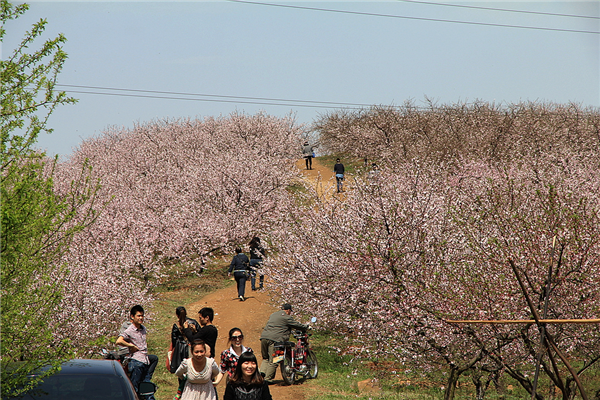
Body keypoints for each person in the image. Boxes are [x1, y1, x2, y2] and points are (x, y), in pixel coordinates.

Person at [116, 305, 158, 400]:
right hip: (136, 362)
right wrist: (131, 346)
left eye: (142, 316)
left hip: (145, 360)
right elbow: (119, 341)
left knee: (146, 387)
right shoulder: (130, 330)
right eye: (138, 316)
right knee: (134, 389)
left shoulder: (143, 328)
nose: (141, 318)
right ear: (132, 317)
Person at [259, 303, 308, 383]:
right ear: (288, 310)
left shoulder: (273, 315)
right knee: (274, 360)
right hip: (275, 339)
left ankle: (261, 376)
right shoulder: (286, 317)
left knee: (265, 358)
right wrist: (306, 327)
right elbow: (296, 325)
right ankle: (267, 379)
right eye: (290, 311)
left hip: (264, 337)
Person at [171, 306, 201, 376]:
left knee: (182, 369)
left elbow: (174, 339)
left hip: (180, 348)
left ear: (177, 315)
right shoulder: (193, 322)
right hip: (192, 347)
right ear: (186, 313)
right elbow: (200, 333)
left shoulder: (176, 325)